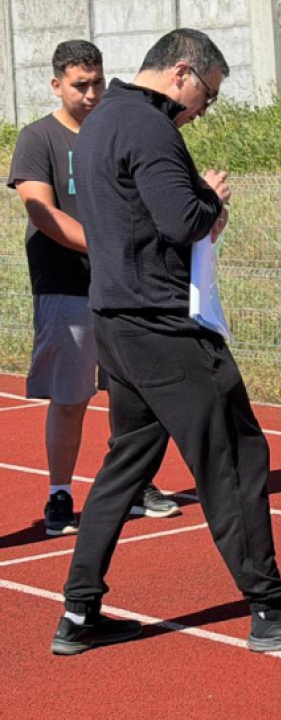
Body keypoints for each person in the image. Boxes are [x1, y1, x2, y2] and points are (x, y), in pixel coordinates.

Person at [54, 29, 281, 656]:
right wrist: (211, 201)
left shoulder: (102, 120)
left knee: (125, 466)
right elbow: (180, 220)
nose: (202, 111)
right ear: (183, 72)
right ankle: (271, 611)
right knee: (238, 459)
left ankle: (78, 614)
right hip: (164, 325)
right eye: (207, 97)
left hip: (115, 318)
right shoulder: (147, 126)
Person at [7, 40, 179, 537]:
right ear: (56, 84)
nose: (91, 93)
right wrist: (106, 248)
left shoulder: (115, 130)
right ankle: (60, 492)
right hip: (67, 285)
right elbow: (41, 210)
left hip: (126, 284)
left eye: (98, 82)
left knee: (134, 395)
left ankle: (134, 484)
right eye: (80, 85)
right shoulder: (38, 138)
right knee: (71, 396)